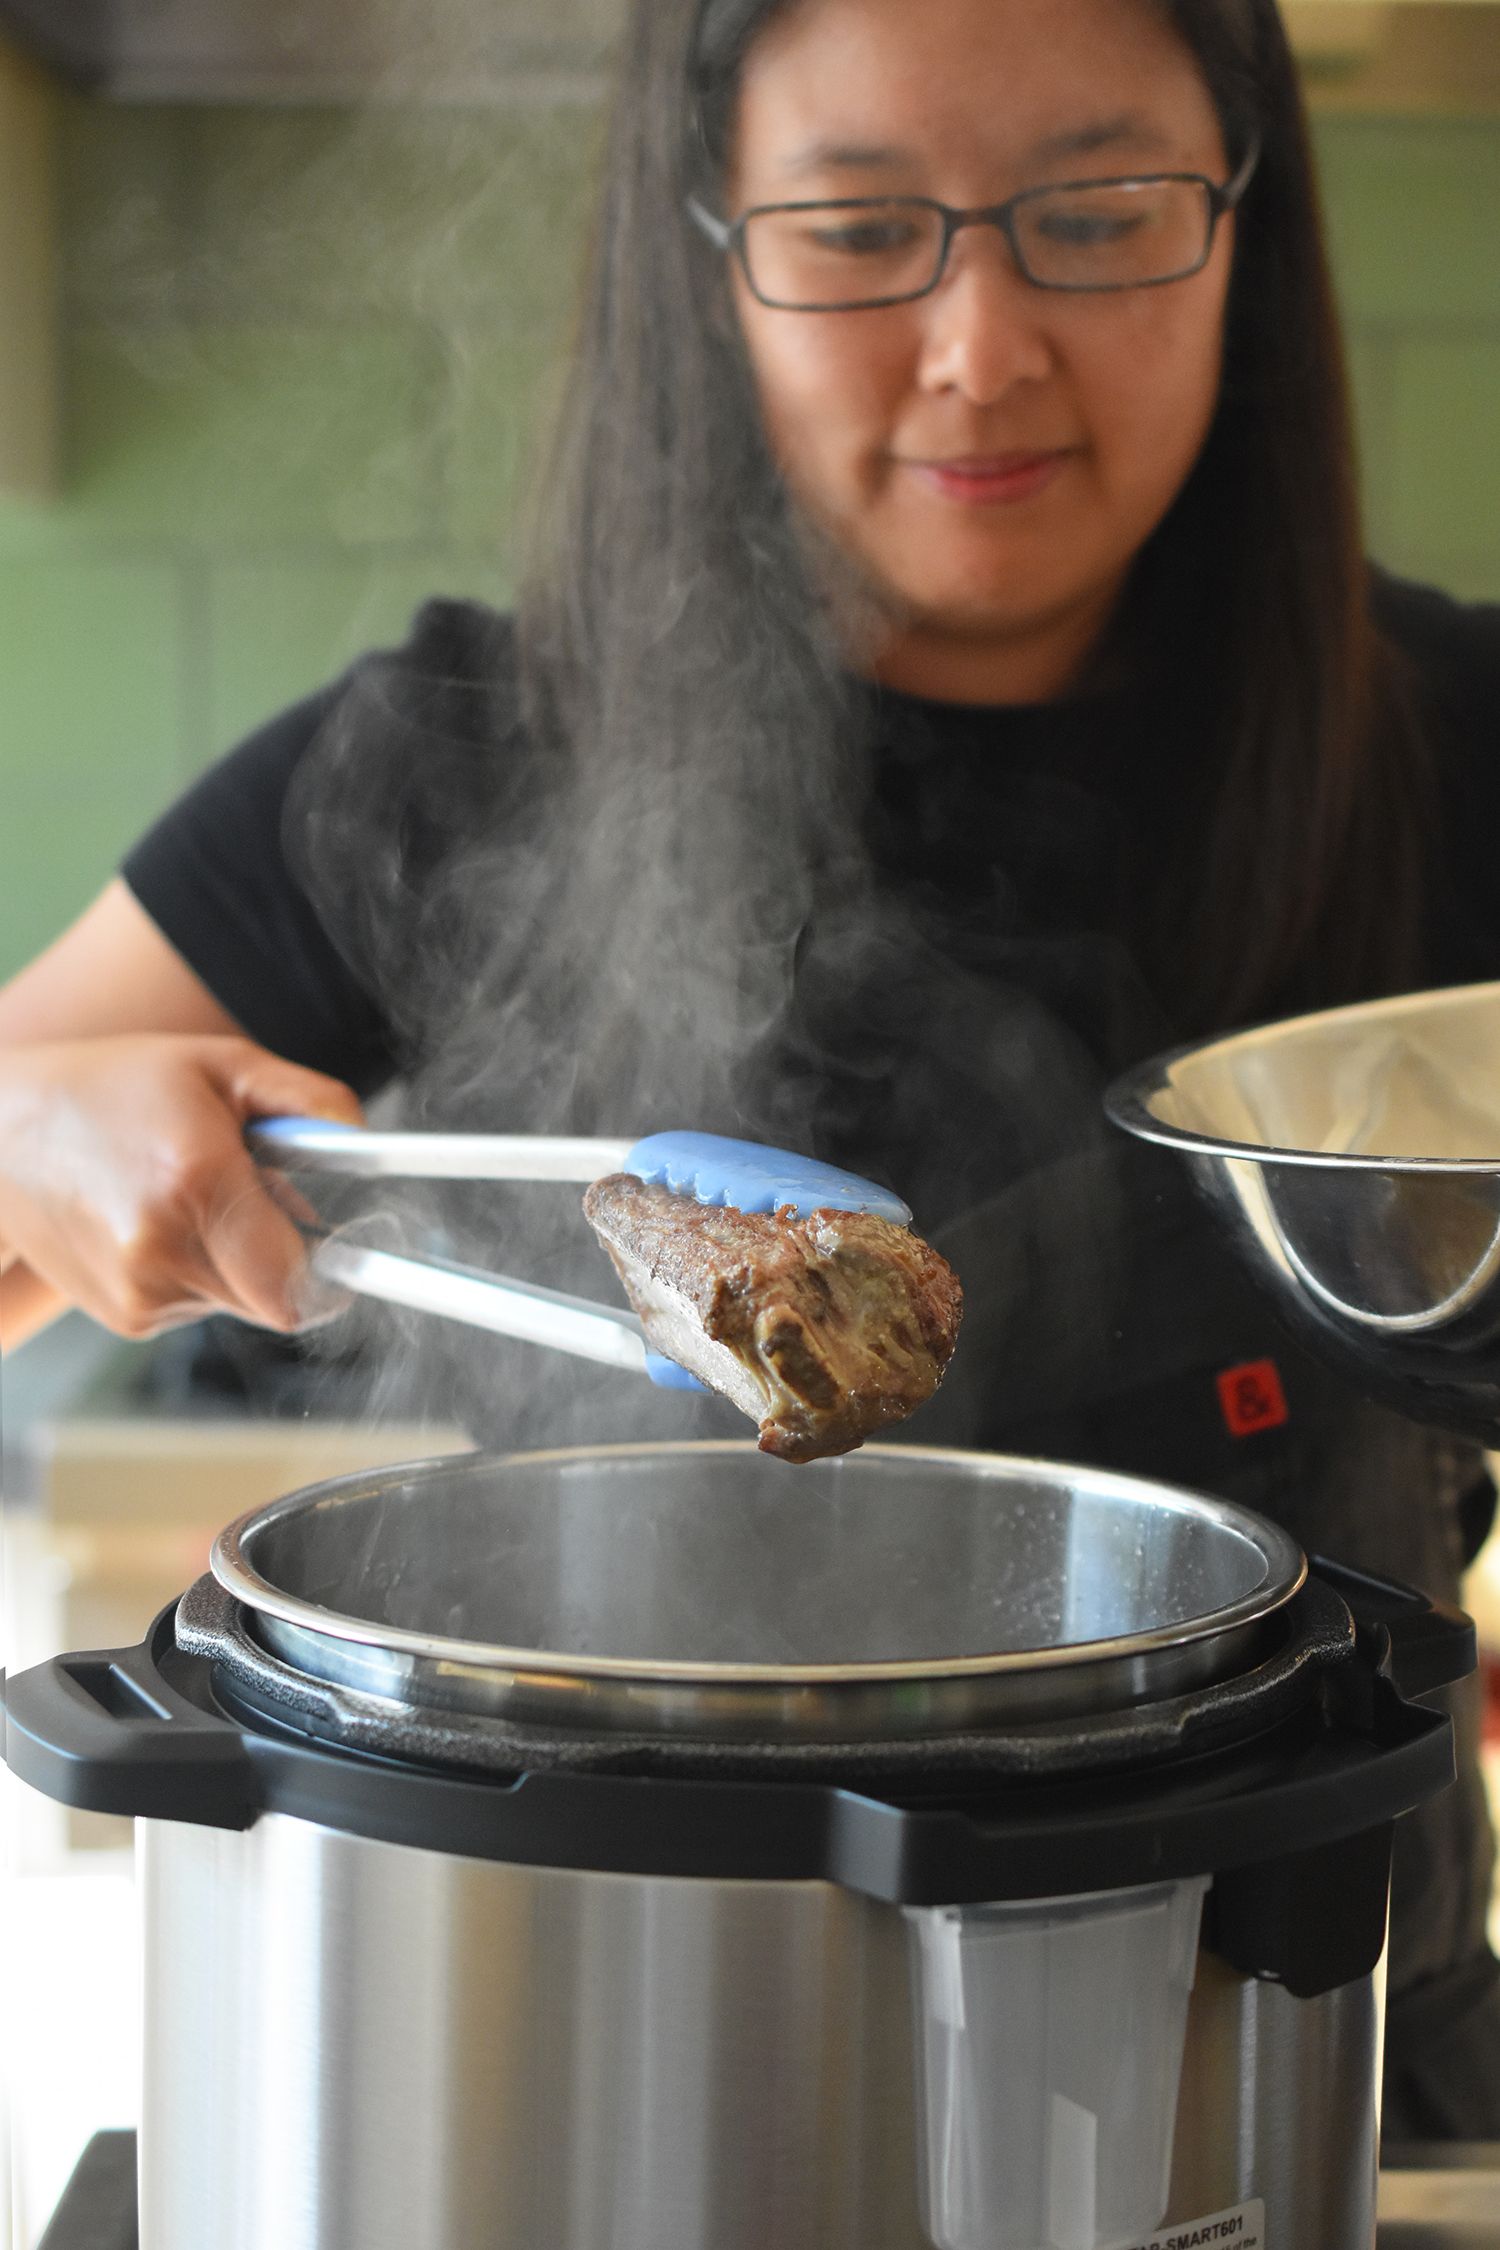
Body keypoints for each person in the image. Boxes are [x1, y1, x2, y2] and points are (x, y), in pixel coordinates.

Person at [2, 0, 1498, 2134]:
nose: (983, 344)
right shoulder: (455, 759)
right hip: (625, 2101)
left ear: (1242, 222)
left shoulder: (1454, 744)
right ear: (709, 251)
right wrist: (31, 1136)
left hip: (1315, 2075)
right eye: (863, 227)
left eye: (1097, 212)